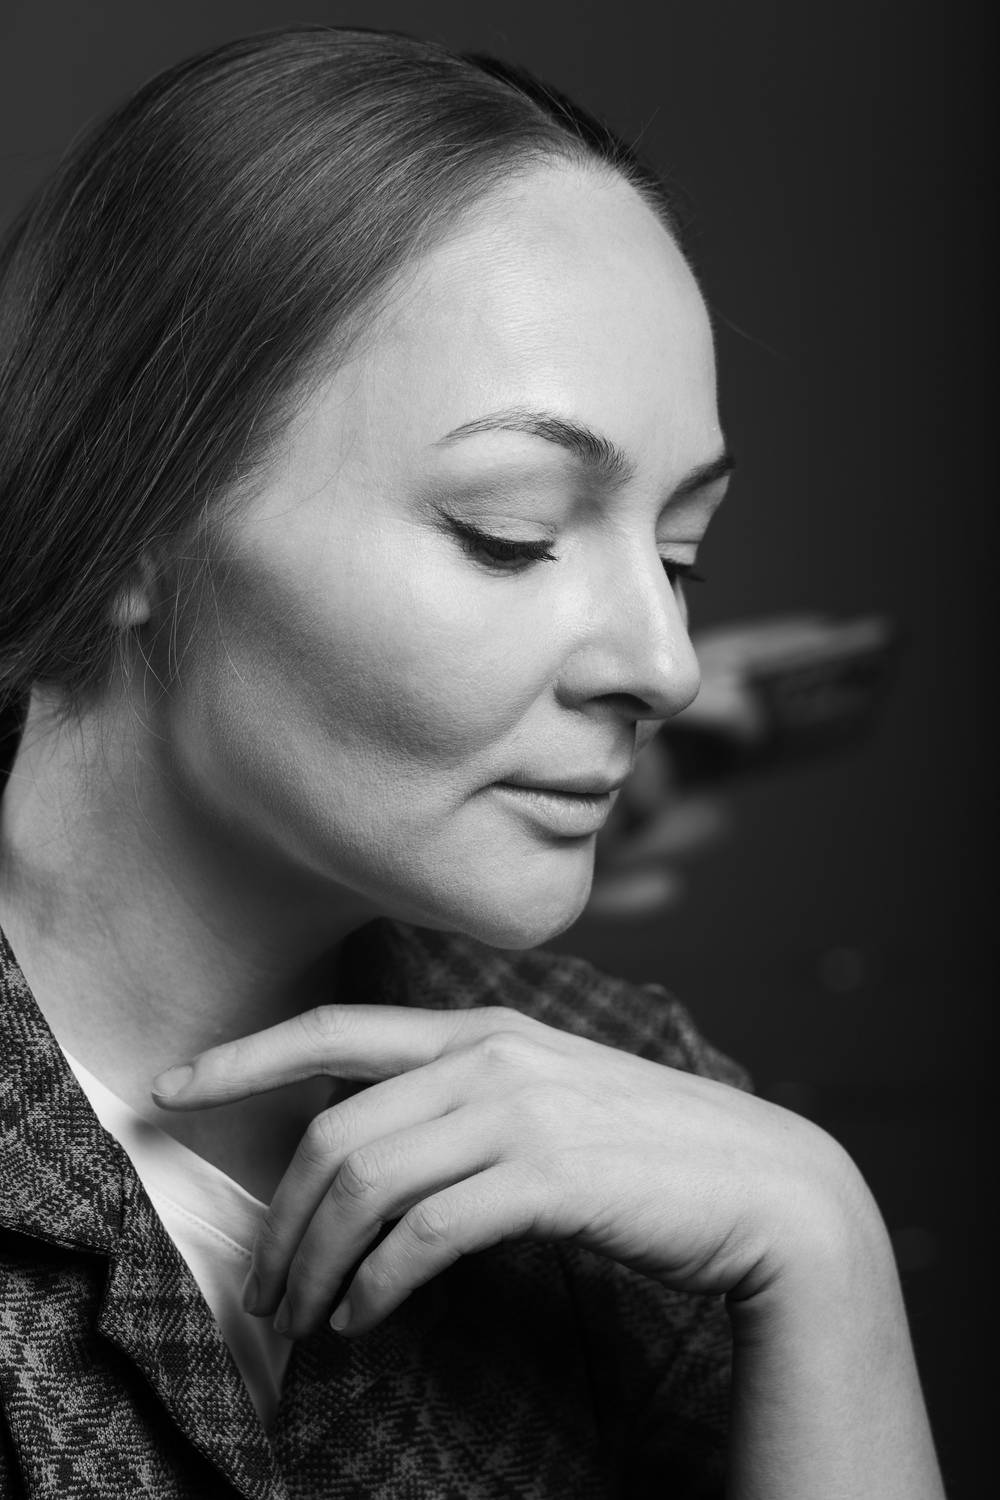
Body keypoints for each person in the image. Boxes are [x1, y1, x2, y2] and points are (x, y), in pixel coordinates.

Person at [0, 25, 944, 1499]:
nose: (667, 666)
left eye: (680, 551)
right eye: (513, 532)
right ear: (133, 518)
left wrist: (825, 1248)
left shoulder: (641, 1109)